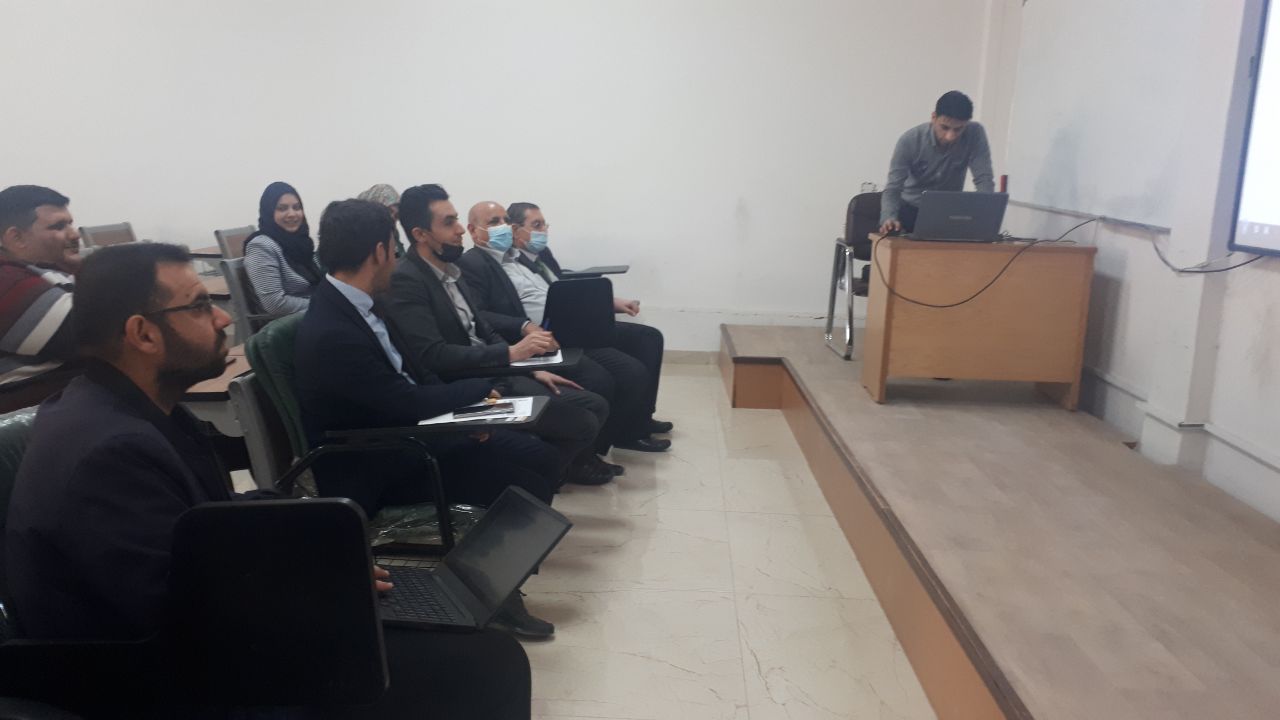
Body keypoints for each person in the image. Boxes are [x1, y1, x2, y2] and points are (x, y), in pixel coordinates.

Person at [4, 242, 531, 718]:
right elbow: (176, 615)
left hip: (200, 646)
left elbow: (206, 532)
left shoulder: (138, 410)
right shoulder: (108, 450)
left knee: (453, 636)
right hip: (159, 684)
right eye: (198, 306)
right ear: (142, 333)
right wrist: (317, 588)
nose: (222, 318)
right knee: (486, 663)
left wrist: (318, 556)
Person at [293, 199, 561, 637]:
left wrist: (466, 415)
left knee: (537, 457)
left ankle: (493, 580)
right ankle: (493, 594)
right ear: (380, 251)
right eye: (393, 249)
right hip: (374, 461)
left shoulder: (363, 303)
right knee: (521, 479)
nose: (397, 260)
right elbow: (402, 402)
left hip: (405, 437)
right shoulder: (332, 331)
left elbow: (417, 374)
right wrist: (475, 395)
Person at [384, 184, 617, 485]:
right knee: (582, 420)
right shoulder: (407, 279)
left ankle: (543, 476)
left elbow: (485, 328)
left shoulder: (451, 271)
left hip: (496, 370)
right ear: (420, 234)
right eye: (449, 223)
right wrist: (510, 353)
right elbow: (433, 355)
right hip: (467, 383)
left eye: (457, 220)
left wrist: (530, 368)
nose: (460, 230)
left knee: (594, 404)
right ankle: (536, 478)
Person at [459, 201, 670, 452]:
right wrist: (524, 326)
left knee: (648, 339)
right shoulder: (475, 263)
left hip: (568, 323)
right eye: (494, 222)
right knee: (624, 372)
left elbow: (557, 289)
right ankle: (612, 439)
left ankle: (638, 421)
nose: (503, 227)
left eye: (505, 220)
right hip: (543, 335)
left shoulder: (516, 257)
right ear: (473, 230)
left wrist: (605, 304)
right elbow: (481, 313)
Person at [0, 185, 83, 410]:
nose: (74, 234)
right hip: (38, 416)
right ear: (16, 237)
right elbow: (101, 338)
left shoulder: (43, 270)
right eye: (59, 226)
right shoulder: (7, 283)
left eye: (71, 224)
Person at [879, 90, 995, 235]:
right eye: (944, 127)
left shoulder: (975, 133)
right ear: (933, 117)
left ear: (967, 123)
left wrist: (985, 217)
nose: (950, 136)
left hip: (949, 213)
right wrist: (889, 218)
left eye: (958, 129)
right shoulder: (909, 140)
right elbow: (893, 188)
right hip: (910, 210)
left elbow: (984, 179)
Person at [245, 181, 323, 316]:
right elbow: (275, 304)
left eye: (297, 207)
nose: (292, 214)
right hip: (291, 323)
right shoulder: (261, 246)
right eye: (282, 208)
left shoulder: (301, 242)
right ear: (269, 211)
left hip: (313, 314)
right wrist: (327, 304)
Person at [356, 183, 406, 257]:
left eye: (396, 215)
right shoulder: (356, 237)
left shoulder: (393, 235)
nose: (392, 217)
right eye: (389, 211)